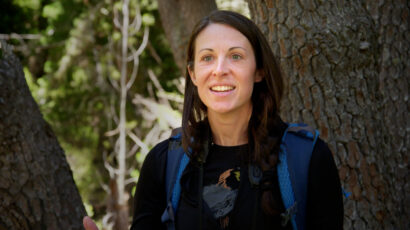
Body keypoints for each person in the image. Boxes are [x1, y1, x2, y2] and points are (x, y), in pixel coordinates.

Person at [84, 10, 343, 230]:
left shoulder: (307, 159)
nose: (219, 70)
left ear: (259, 71)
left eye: (236, 56)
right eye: (207, 58)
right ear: (193, 74)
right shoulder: (163, 164)